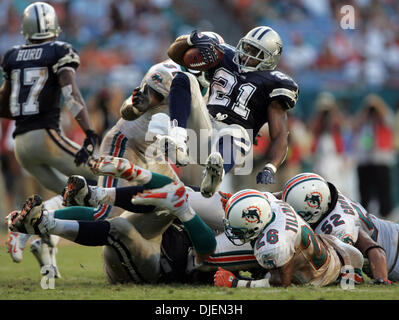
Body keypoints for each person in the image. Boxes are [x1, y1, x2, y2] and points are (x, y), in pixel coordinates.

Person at [0, 2, 99, 276]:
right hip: (45, 137)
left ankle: (44, 253)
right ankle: (22, 227)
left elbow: (4, 105)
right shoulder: (59, 50)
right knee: (104, 178)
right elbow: (71, 93)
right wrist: (89, 131)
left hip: (20, 143)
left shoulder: (11, 55)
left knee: (70, 199)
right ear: (53, 26)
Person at [86, 31, 224, 220]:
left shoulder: (214, 86)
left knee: (175, 203)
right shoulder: (167, 73)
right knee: (107, 213)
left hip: (156, 155)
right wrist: (136, 106)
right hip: (129, 144)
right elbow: (127, 109)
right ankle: (48, 218)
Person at [7, 164, 218, 285]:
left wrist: (183, 209)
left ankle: (43, 224)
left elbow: (207, 250)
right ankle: (91, 197)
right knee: (164, 197)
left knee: (120, 226)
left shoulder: (238, 246)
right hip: (158, 241)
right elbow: (172, 191)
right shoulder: (226, 212)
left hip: (159, 269)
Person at [153, 27, 299, 198]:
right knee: (184, 79)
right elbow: (176, 55)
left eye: (255, 52)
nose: (246, 54)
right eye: (246, 47)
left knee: (234, 133)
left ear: (268, 59)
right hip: (204, 128)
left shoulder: (275, 82)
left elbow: (280, 134)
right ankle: (177, 140)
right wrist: (192, 40)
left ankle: (215, 174)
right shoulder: (224, 55)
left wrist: (270, 166)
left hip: (235, 144)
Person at [213, 189, 364, 288]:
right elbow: (258, 199)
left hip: (318, 275)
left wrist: (235, 283)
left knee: (266, 271)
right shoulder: (273, 204)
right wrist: (237, 203)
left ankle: (347, 272)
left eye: (239, 230)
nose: (235, 233)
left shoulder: (273, 244)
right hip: (324, 245)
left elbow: (281, 283)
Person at [281, 172, 396, 284]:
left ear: (314, 210)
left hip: (394, 256)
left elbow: (375, 249)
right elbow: (291, 195)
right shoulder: (326, 195)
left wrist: (381, 279)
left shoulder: (341, 225)